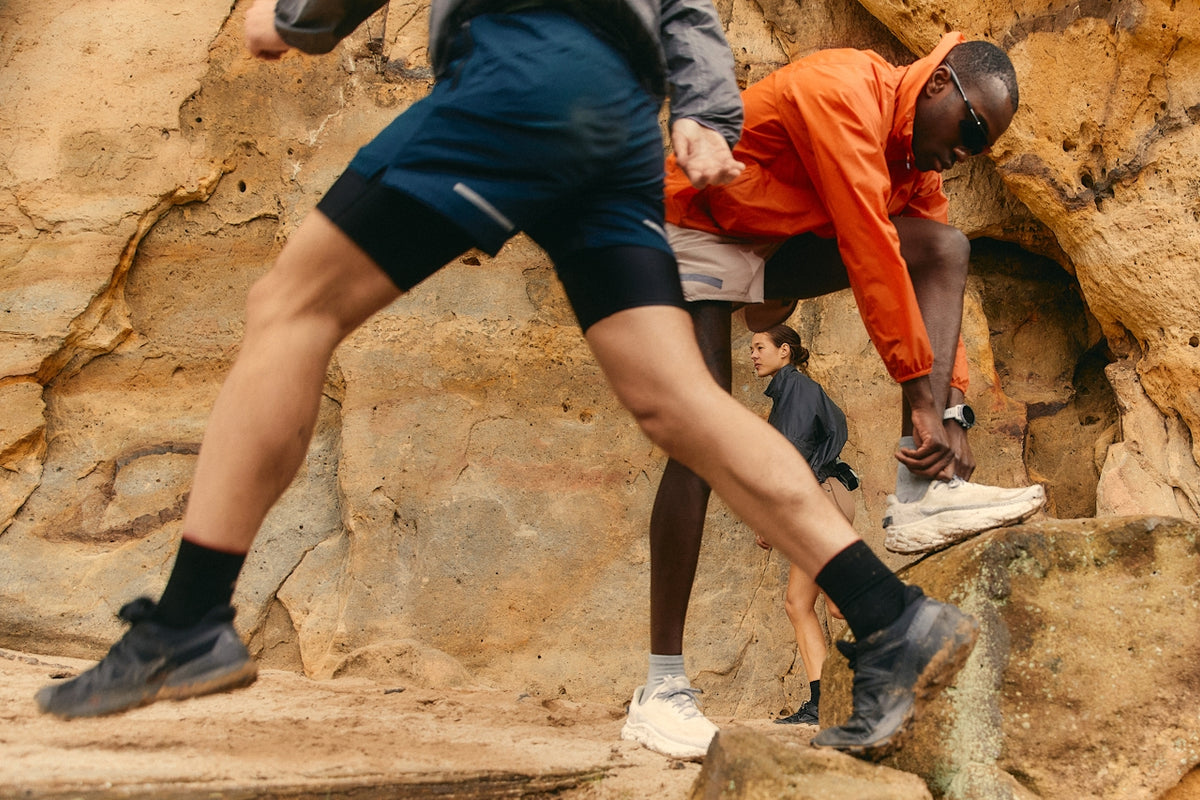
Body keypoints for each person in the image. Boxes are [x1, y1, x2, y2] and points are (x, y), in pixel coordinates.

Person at [36, 0, 980, 764]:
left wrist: (300, 20)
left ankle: (189, 619)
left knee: (292, 309)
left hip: (524, 70)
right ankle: (892, 618)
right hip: (616, 116)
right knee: (678, 400)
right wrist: (701, 111)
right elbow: (685, 6)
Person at [622, 35, 1043, 758]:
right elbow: (867, 243)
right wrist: (914, 391)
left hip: (775, 242)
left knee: (945, 249)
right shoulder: (844, 88)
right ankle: (661, 688)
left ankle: (920, 492)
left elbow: (925, 261)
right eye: (971, 129)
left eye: (984, 148)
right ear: (939, 84)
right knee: (698, 437)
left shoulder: (917, 164)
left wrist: (947, 411)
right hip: (696, 218)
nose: (966, 153)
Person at [745, 325, 855, 727]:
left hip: (817, 501)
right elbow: (835, 429)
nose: (753, 354)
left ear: (784, 351)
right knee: (799, 603)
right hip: (822, 498)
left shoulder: (795, 391)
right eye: (751, 348)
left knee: (841, 604)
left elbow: (790, 461)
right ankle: (823, 703)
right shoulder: (792, 391)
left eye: (760, 347)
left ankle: (903, 668)